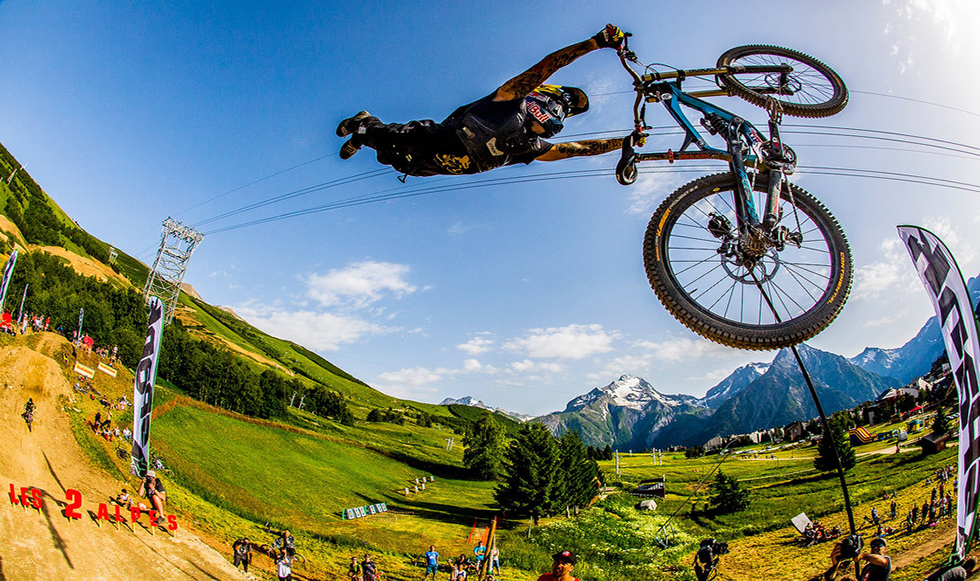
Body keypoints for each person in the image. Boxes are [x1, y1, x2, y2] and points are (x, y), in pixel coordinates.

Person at [336, 25, 633, 177]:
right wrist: (594, 43)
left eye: (567, 111)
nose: (561, 111)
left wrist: (626, 142)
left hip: (424, 166)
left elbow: (577, 150)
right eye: (561, 104)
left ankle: (362, 137)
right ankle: (364, 123)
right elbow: (547, 66)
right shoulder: (510, 100)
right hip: (434, 137)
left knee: (395, 159)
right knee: (389, 137)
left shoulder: (531, 146)